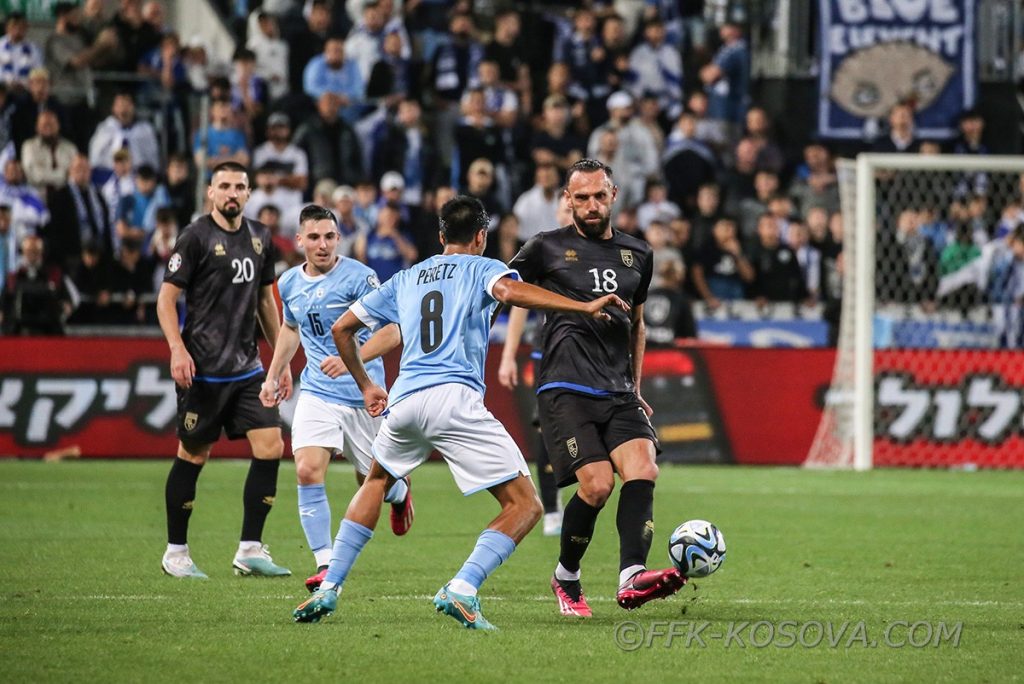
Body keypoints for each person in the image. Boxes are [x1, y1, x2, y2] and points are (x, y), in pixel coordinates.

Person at [292, 195, 627, 628]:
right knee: (525, 505)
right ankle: (463, 586)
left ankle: (329, 586)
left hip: (405, 399)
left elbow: (343, 329)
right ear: (481, 237)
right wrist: (582, 306)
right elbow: (509, 291)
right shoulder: (482, 268)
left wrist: (367, 385)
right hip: (454, 399)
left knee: (376, 480)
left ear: (441, 236)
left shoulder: (407, 276)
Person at [508, 158, 687, 618]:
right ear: (567, 200)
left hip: (618, 390)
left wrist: (636, 385)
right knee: (598, 484)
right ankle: (566, 575)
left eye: (599, 196)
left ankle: (631, 575)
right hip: (565, 387)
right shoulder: (545, 247)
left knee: (644, 467)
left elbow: (638, 325)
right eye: (581, 197)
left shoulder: (638, 253)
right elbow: (504, 289)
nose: (591, 205)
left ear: (614, 196)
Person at [260, 204, 413, 593]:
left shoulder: (361, 278)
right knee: (307, 469)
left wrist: (349, 359)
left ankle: (400, 493)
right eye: (314, 237)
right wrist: (275, 373)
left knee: (373, 481)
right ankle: (325, 564)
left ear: (339, 238)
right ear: (300, 240)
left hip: (363, 396)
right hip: (317, 392)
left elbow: (393, 332)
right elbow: (291, 328)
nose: (322, 244)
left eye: (329, 236)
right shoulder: (289, 282)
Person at [155, 161, 290, 579]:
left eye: (239, 187)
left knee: (271, 445)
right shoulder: (195, 237)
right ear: (211, 192)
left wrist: (279, 361)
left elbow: (265, 302)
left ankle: (250, 549)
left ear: (249, 193)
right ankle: (176, 553)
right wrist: (177, 349)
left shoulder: (260, 236)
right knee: (194, 454)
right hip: (204, 371)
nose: (232, 193)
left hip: (247, 369)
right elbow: (166, 300)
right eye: (225, 186)